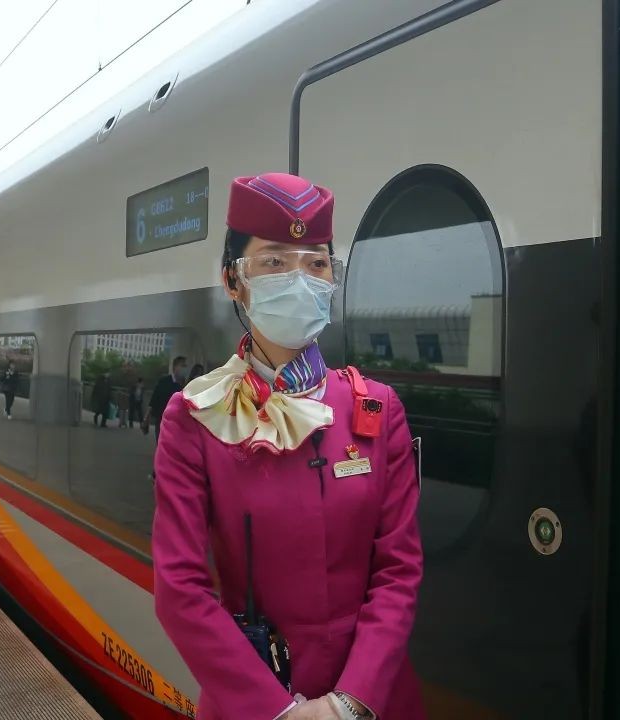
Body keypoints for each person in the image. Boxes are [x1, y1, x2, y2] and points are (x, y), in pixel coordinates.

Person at [152, 173, 424, 720]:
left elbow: (399, 570)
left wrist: (350, 703)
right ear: (233, 281)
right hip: (253, 702)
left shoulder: (378, 409)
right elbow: (180, 588)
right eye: (274, 262)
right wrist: (277, 711)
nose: (299, 280)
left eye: (316, 263)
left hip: (373, 702)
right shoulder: (195, 419)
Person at [143, 356, 187, 440]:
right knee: (161, 442)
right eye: (182, 366)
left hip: (178, 422)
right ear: (175, 367)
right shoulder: (164, 382)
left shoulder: (186, 385)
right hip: (162, 419)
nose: (184, 369)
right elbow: (154, 400)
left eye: (185, 366)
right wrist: (146, 417)